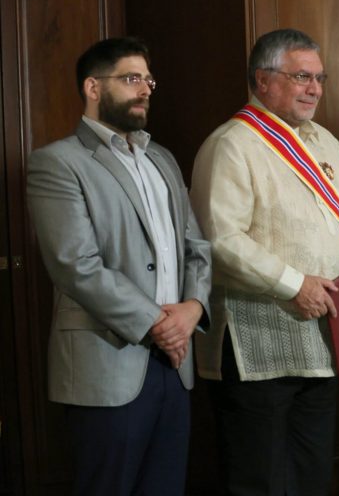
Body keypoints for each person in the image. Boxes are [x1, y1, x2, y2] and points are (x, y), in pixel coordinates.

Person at [25, 37, 212, 495]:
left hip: (176, 362)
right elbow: (75, 265)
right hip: (107, 362)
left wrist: (191, 309)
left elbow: (196, 247)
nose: (145, 89)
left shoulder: (162, 158)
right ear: (93, 86)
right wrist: (157, 323)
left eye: (148, 79)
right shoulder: (58, 163)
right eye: (131, 79)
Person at [189, 28, 339, 495]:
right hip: (257, 342)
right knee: (261, 477)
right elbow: (220, 240)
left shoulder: (327, 142)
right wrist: (294, 284)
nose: (314, 88)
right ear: (263, 80)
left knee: (311, 473)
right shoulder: (231, 143)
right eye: (301, 77)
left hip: (324, 339)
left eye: (319, 78)